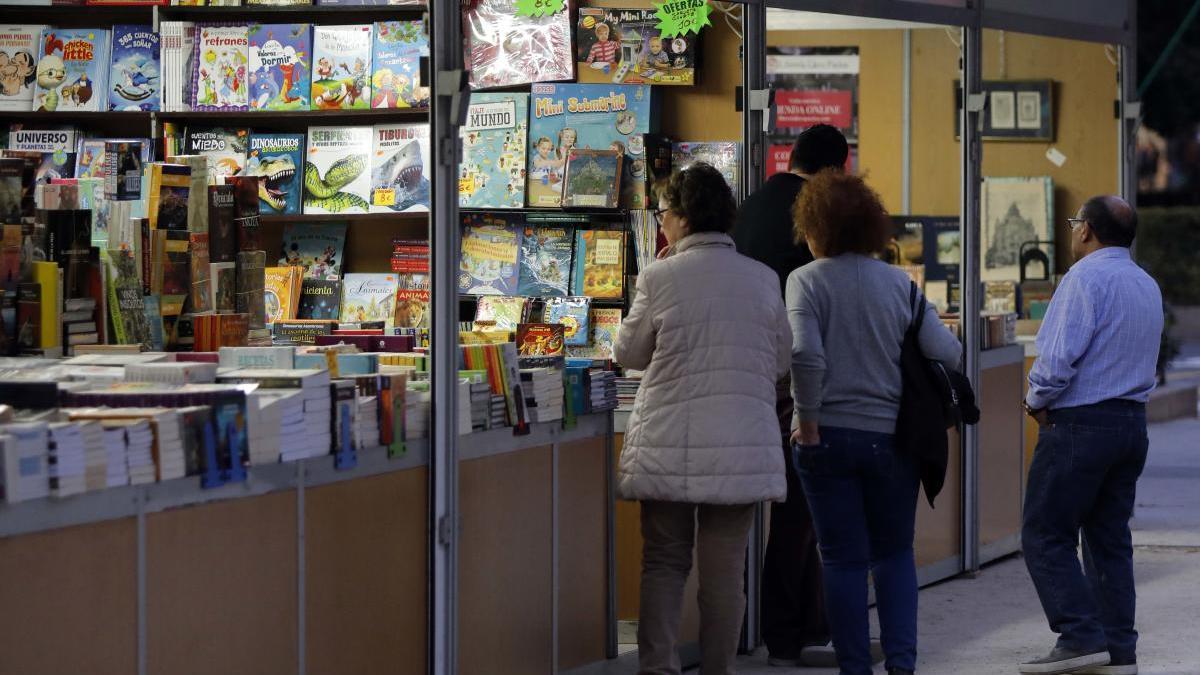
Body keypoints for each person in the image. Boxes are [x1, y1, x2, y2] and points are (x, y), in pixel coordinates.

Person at [615, 163, 790, 675]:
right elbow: (781, 360)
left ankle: (659, 668)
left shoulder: (660, 275)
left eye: (665, 214)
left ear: (685, 218)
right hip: (742, 445)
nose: (661, 223)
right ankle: (719, 669)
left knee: (665, 564)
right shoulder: (763, 279)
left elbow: (629, 352)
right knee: (724, 572)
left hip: (668, 443)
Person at [786, 170, 962, 675]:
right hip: (892, 440)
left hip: (827, 439)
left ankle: (855, 666)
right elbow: (946, 352)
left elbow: (805, 355)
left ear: (813, 227)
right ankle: (902, 664)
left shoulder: (805, 281)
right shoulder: (898, 285)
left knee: (841, 559)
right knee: (893, 554)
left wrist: (809, 422)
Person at [1018, 196, 1163, 675]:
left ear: (1086, 231)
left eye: (1075, 221)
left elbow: (1057, 359)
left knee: (1044, 532)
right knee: (1108, 539)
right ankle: (1118, 650)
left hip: (1080, 424)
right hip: (1130, 425)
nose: (1072, 229)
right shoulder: (1145, 283)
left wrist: (1034, 400)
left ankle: (1079, 634)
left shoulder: (1083, 278)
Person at [732, 123, 849, 667]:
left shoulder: (753, 201)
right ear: (833, 171)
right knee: (800, 510)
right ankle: (789, 629)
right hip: (791, 376)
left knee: (763, 514)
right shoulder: (814, 212)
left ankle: (796, 624)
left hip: (745, 369)